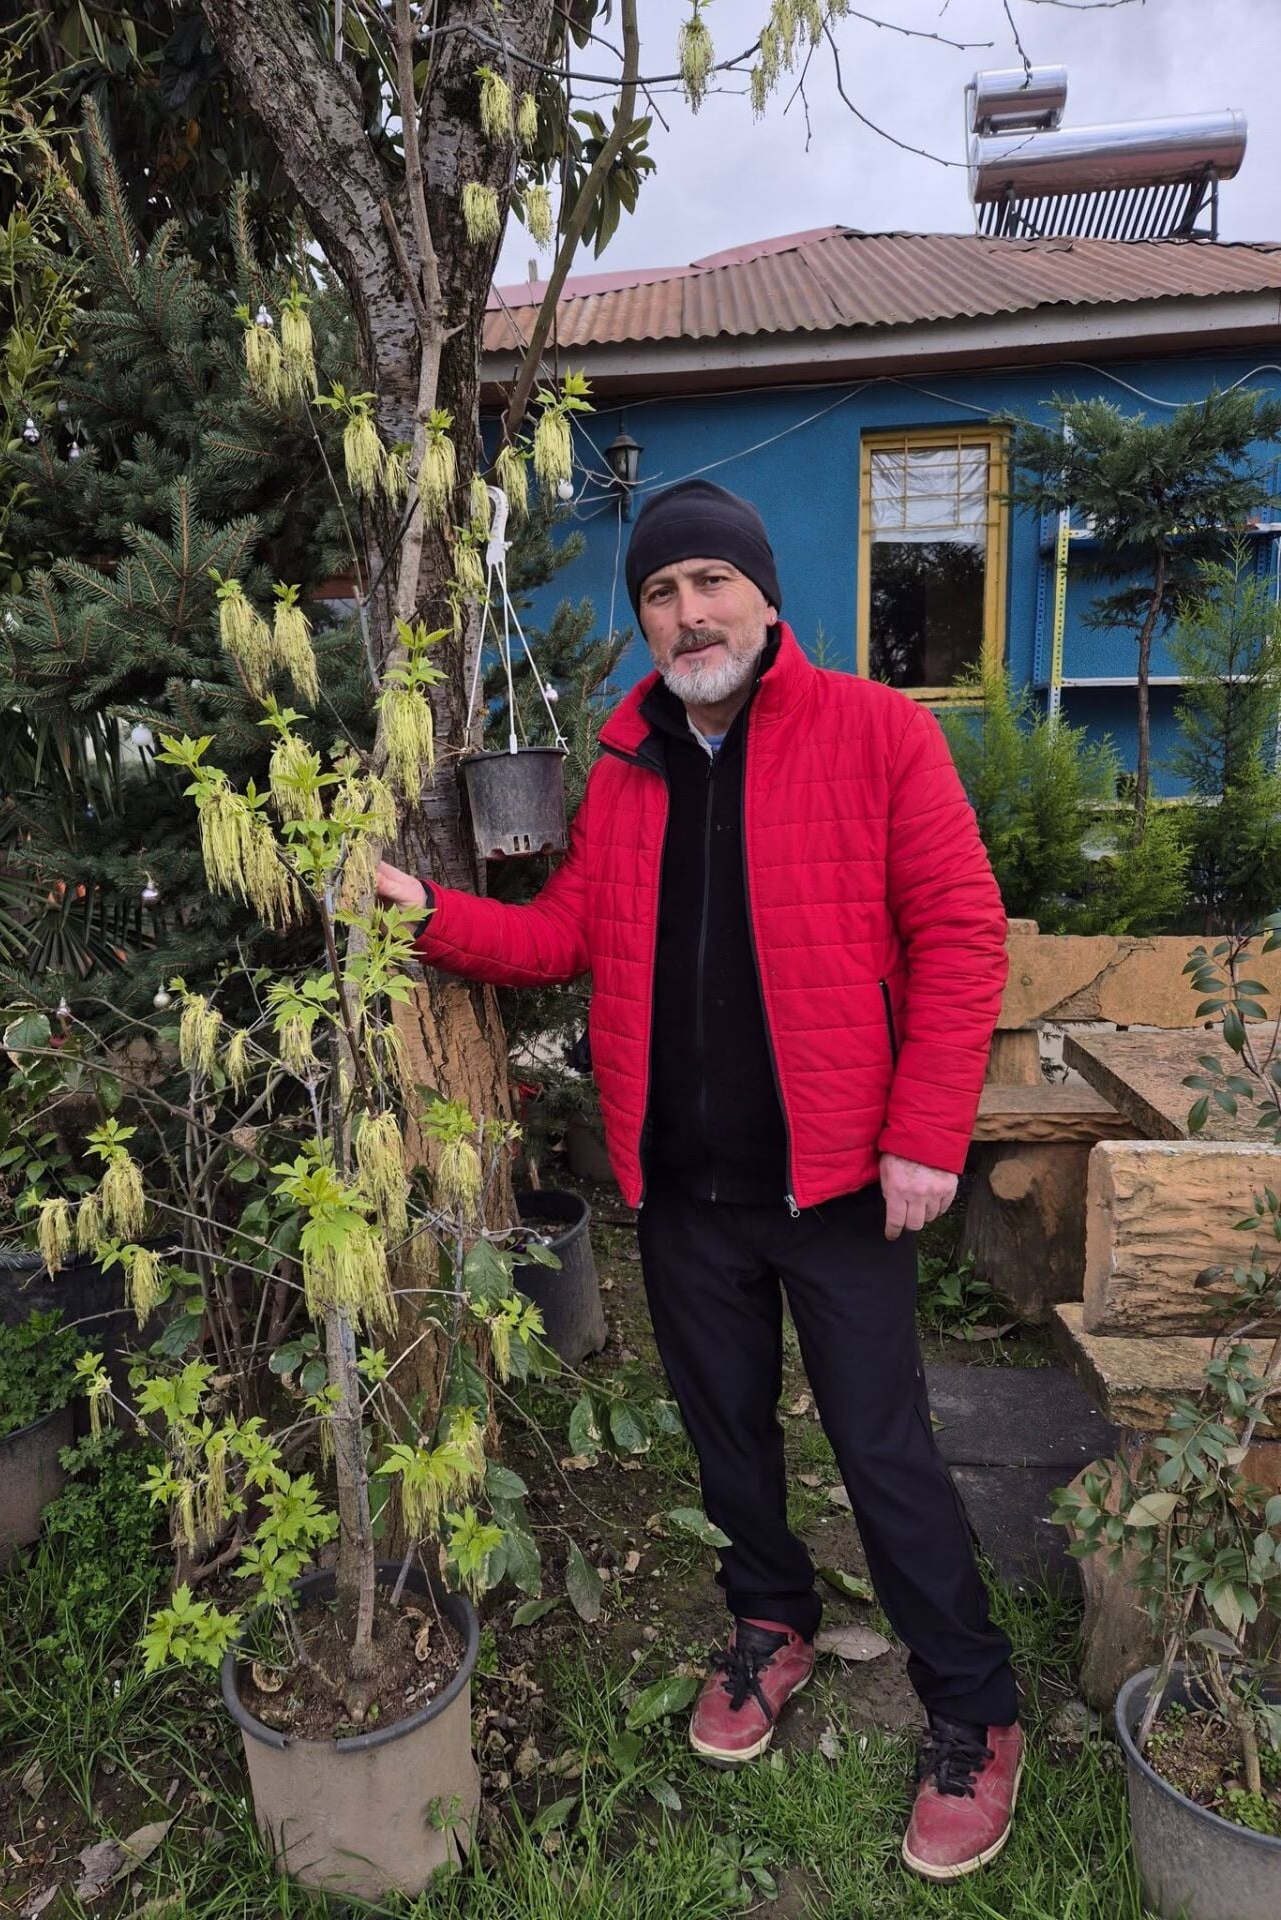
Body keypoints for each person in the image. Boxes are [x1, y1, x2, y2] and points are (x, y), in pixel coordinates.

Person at [377, 477, 1022, 1882]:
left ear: (763, 594)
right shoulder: (629, 769)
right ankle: (771, 1624)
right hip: (680, 1187)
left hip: (841, 1182)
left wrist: (927, 1133)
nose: (686, 613)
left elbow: (964, 938)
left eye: (709, 584)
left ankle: (975, 1707)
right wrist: (427, 915)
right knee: (725, 1437)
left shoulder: (878, 735)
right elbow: (563, 937)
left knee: (883, 1448)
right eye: (661, 595)